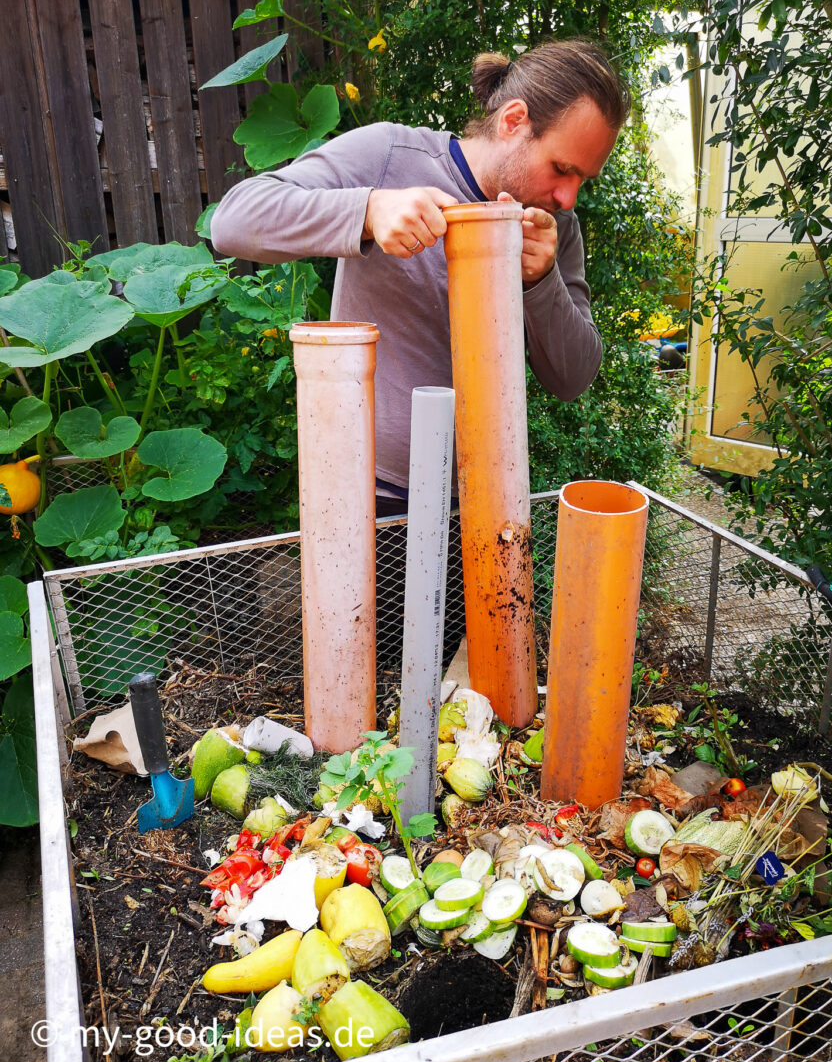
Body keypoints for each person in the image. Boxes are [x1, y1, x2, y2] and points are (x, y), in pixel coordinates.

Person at [211, 38, 630, 669]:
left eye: (580, 181)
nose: (568, 197)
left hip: (484, 506)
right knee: (364, 696)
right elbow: (234, 222)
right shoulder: (389, 156)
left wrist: (541, 284)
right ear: (514, 121)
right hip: (367, 502)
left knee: (464, 702)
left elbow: (572, 376)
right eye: (562, 169)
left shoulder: (554, 227)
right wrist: (368, 210)